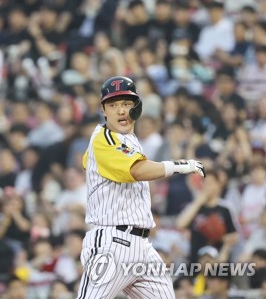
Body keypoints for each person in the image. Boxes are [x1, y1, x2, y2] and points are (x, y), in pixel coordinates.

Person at [77, 76, 205, 299]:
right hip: (111, 242)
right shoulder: (104, 137)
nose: (120, 111)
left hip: (142, 246)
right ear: (103, 109)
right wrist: (182, 165)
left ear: (137, 107)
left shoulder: (129, 140)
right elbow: (138, 170)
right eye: (113, 104)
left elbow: (89, 162)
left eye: (126, 104)